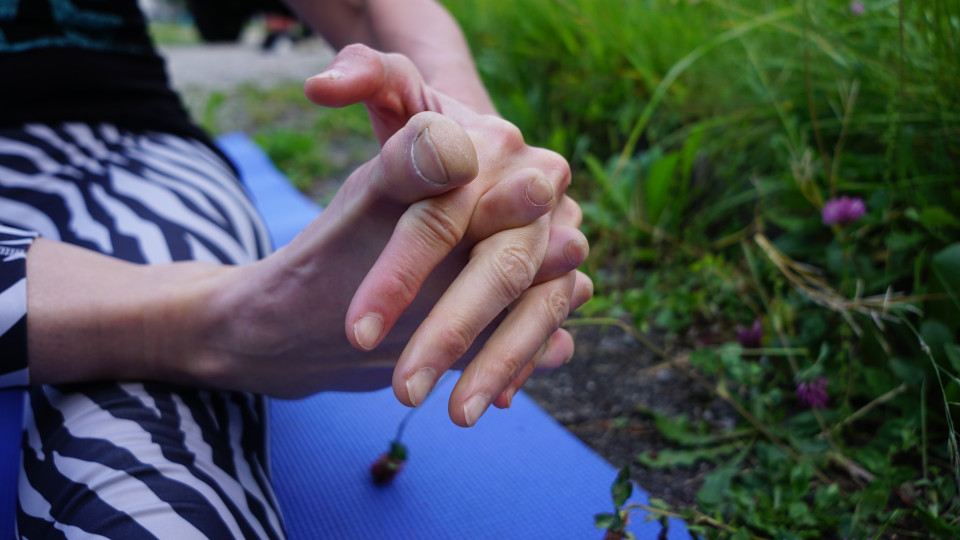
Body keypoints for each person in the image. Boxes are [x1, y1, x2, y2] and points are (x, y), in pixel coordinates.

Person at [0, 0, 592, 537]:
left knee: (144, 436)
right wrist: (214, 324)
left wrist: (485, 158)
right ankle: (213, 323)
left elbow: (369, 10)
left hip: (123, 148)